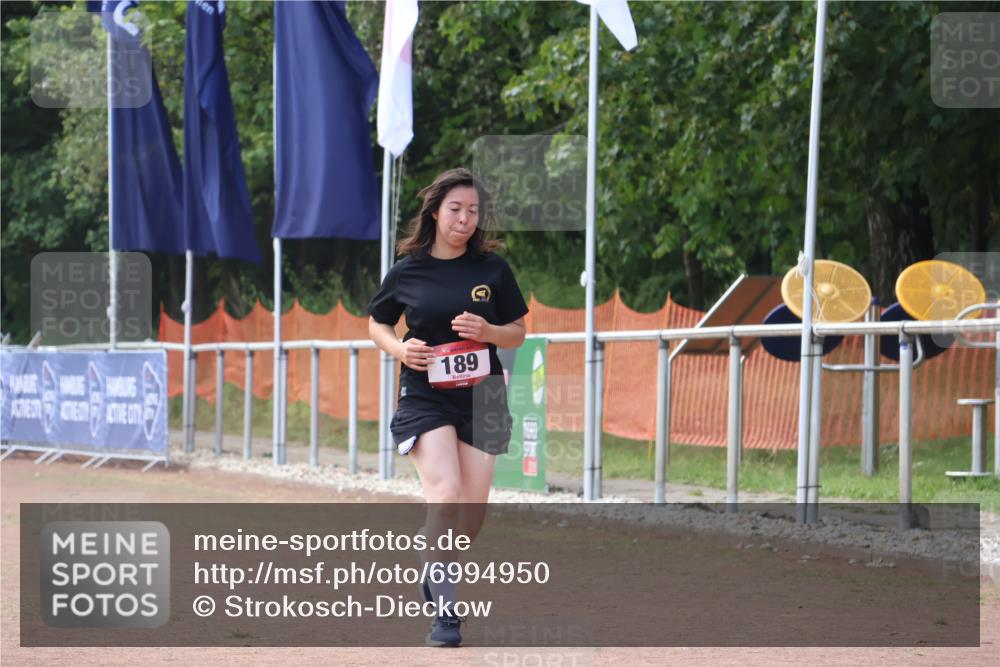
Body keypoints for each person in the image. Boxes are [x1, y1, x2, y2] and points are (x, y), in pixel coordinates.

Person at [368, 167, 528, 648]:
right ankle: (445, 612)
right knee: (446, 495)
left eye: (473, 211)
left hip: (484, 395)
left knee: (470, 519)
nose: (464, 219)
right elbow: (377, 323)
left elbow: (518, 333)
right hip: (426, 394)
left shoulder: (493, 270)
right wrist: (400, 350)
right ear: (435, 212)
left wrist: (489, 332)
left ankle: (430, 554)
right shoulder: (408, 270)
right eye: (455, 209)